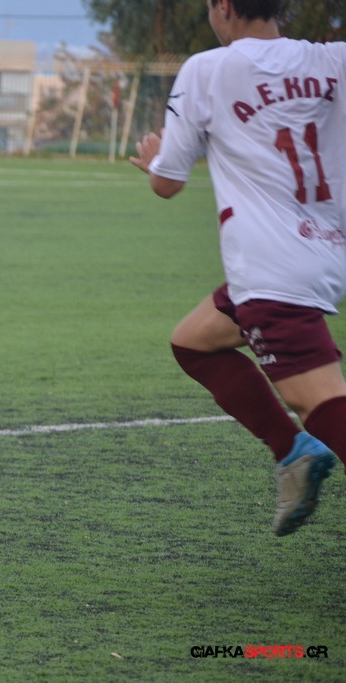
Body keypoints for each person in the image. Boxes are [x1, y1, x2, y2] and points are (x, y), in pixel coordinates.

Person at [130, 0, 346, 536]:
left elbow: (168, 182)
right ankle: (293, 451)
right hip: (326, 250)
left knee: (321, 404)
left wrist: (154, 160)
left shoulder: (208, 69)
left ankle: (301, 444)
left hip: (271, 268)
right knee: (193, 342)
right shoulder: (334, 59)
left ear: (224, 6)